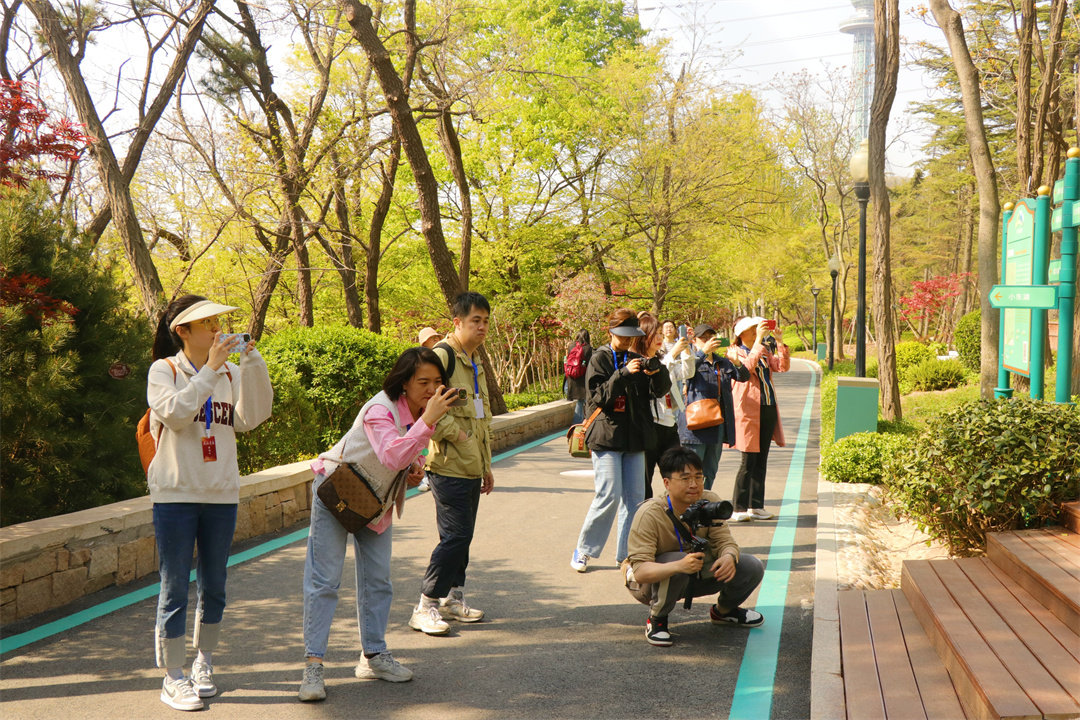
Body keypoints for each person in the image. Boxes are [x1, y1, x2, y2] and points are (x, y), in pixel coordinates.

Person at [299, 348, 462, 702]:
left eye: (438, 382)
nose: (432, 389)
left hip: (374, 505)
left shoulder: (419, 413)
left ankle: (373, 656)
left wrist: (416, 463)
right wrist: (426, 425)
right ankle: (313, 667)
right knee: (324, 581)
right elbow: (391, 454)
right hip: (338, 494)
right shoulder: (379, 410)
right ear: (403, 383)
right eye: (423, 382)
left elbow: (406, 455)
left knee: (378, 581)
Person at [146, 295, 273, 711]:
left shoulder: (231, 372)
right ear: (182, 331)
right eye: (208, 324)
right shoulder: (162, 371)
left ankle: (204, 662)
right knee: (175, 585)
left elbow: (251, 417)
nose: (218, 329)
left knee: (215, 585)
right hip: (177, 495)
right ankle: (173, 675)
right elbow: (177, 414)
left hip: (221, 493)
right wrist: (210, 370)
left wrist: (252, 366)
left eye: (220, 322)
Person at [410, 291, 495, 635]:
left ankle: (452, 599)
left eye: (486, 321)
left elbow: (481, 417)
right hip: (447, 465)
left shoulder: (473, 361)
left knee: (464, 536)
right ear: (457, 322)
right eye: (476, 320)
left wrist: (485, 464)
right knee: (455, 537)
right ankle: (426, 604)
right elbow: (423, 402)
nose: (482, 327)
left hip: (471, 466)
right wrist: (455, 436)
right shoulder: (441, 356)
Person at [624, 446, 765, 647]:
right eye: (685, 478)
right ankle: (656, 620)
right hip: (651, 585)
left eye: (699, 477)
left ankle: (724, 612)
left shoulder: (709, 502)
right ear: (667, 483)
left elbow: (725, 541)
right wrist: (678, 566)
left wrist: (728, 556)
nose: (694, 484)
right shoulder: (650, 514)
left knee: (751, 565)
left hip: (694, 574)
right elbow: (640, 572)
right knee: (677, 561)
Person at [570, 309, 671, 573]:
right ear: (611, 332)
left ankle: (626, 556)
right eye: (623, 336)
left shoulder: (638, 358)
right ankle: (583, 550)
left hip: (636, 437)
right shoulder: (599, 358)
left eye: (631, 336)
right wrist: (623, 373)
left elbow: (660, 390)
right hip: (606, 436)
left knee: (635, 499)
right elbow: (597, 397)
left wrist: (656, 371)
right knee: (608, 495)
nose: (627, 341)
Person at [727, 316, 791, 522]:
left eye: (758, 328)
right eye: (753, 328)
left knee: (761, 458)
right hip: (747, 410)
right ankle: (738, 507)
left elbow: (782, 367)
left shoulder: (763, 349)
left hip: (768, 407)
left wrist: (779, 342)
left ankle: (756, 505)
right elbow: (746, 368)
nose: (757, 331)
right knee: (748, 460)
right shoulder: (734, 352)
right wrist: (757, 343)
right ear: (741, 334)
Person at [677, 324, 750, 492]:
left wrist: (736, 361)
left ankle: (704, 506)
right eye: (703, 338)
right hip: (695, 428)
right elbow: (686, 372)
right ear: (694, 341)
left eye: (712, 337)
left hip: (717, 425)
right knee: (691, 472)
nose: (709, 341)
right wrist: (702, 352)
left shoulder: (722, 361)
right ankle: (689, 509)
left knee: (709, 472)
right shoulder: (690, 360)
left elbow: (744, 377)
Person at [632, 313, 688, 500]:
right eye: (654, 334)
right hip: (647, 428)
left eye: (659, 333)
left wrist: (686, 351)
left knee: (677, 476)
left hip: (668, 424)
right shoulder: (634, 362)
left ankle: (676, 519)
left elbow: (686, 372)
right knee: (643, 484)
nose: (659, 338)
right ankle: (646, 522)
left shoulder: (662, 358)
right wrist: (673, 354)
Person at [416, 328, 444, 492]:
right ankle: (424, 476)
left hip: (433, 410)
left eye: (436, 338)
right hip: (424, 411)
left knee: (428, 445)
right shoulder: (419, 362)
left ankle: (427, 475)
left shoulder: (439, 360)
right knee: (422, 445)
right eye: (432, 339)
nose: (435, 341)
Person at [564, 329, 593, 425]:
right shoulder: (588, 348)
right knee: (582, 401)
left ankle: (579, 423)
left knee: (581, 401)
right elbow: (589, 365)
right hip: (582, 380)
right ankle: (577, 424)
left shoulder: (571, 346)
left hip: (571, 379)